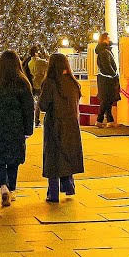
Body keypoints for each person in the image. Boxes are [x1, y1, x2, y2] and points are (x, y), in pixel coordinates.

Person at [0, 51, 36, 207]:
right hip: (15, 125)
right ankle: (12, 188)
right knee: (13, 158)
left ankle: (3, 186)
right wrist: (28, 129)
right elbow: (28, 108)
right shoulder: (22, 82)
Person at [39, 53, 85, 203]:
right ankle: (68, 185)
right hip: (71, 124)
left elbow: (43, 105)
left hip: (54, 124)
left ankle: (53, 193)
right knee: (67, 154)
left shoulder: (50, 83)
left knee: (53, 158)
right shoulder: (73, 82)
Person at [94, 33, 121, 128]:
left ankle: (110, 120)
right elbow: (107, 65)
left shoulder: (104, 51)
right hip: (107, 79)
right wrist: (114, 74)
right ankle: (99, 120)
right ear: (104, 40)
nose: (110, 40)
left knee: (108, 100)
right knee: (106, 100)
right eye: (108, 38)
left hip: (105, 78)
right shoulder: (105, 52)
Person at [26, 47, 49, 126]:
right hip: (41, 83)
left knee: (37, 103)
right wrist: (47, 56)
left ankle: (35, 119)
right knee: (41, 103)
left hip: (34, 83)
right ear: (36, 53)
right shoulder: (40, 61)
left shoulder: (30, 62)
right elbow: (49, 64)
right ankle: (37, 120)